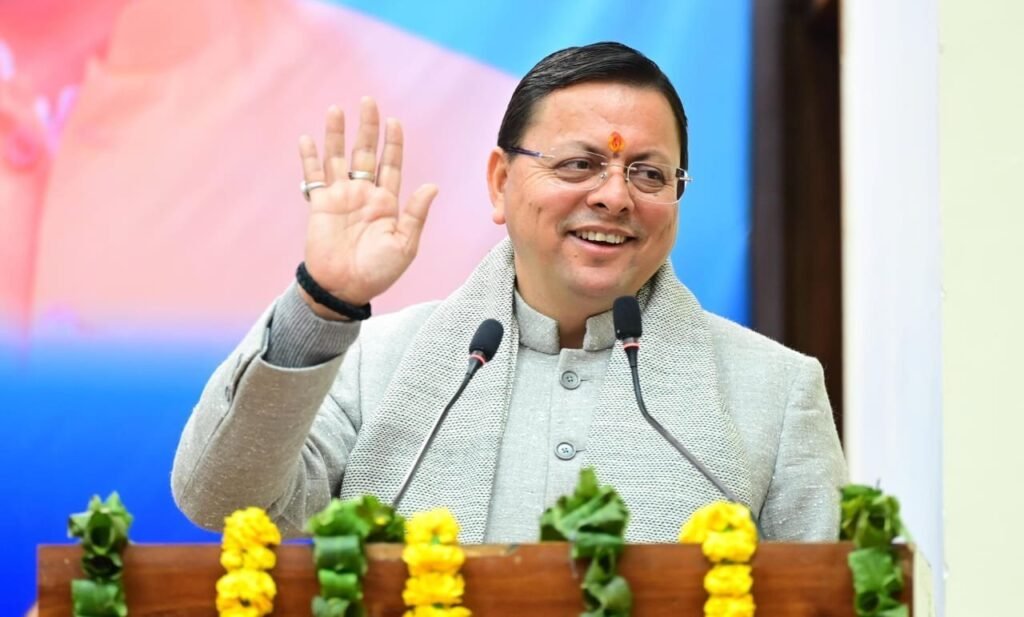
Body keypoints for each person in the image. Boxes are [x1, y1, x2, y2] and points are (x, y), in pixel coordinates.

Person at [171, 42, 846, 543]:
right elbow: (219, 498)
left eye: (648, 174)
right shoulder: (377, 366)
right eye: (580, 164)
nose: (614, 196)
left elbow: (826, 597)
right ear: (500, 182)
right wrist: (323, 302)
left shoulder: (776, 392)